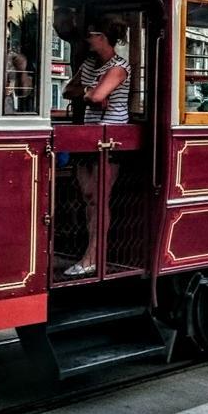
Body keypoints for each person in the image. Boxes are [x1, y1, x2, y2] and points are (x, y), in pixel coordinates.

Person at [63, 16, 131, 277]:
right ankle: (91, 254)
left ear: (102, 37)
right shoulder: (91, 63)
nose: (87, 39)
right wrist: (89, 91)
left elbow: (98, 96)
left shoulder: (119, 67)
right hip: (90, 135)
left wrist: (89, 91)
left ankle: (93, 256)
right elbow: (70, 90)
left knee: (98, 199)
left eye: (91, 34)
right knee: (89, 198)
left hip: (110, 139)